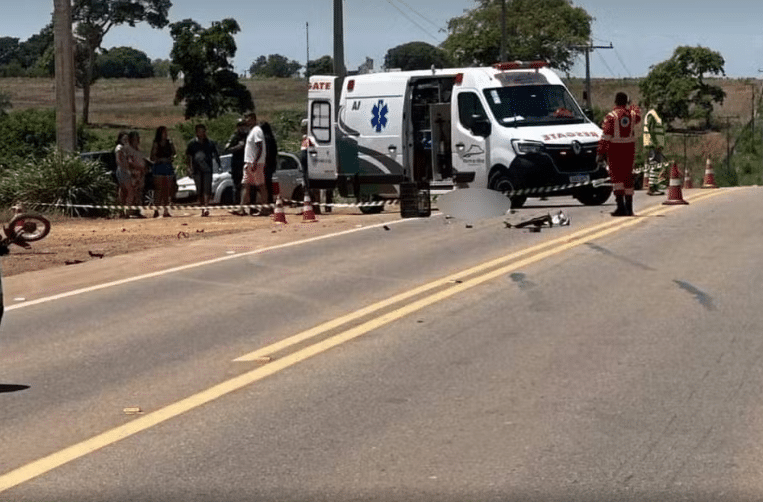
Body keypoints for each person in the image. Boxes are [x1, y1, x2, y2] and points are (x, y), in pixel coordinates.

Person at [596, 92, 641, 216]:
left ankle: (621, 207)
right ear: (626, 102)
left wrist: (600, 152)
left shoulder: (611, 117)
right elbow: (638, 114)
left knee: (617, 180)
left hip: (615, 152)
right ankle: (629, 208)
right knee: (627, 179)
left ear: (615, 102)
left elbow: (605, 137)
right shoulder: (632, 115)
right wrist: (631, 105)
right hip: (629, 151)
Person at [234, 112, 269, 216]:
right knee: (245, 185)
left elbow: (260, 147)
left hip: (255, 163)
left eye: (247, 118)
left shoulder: (257, 130)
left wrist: (255, 161)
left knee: (261, 185)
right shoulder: (251, 131)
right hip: (249, 162)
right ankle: (242, 208)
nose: (246, 120)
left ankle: (265, 208)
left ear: (253, 119)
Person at [186, 124, 220, 217]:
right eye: (200, 131)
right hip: (197, 170)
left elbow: (216, 154)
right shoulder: (192, 144)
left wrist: (219, 165)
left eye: (203, 131)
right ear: (197, 132)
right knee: (199, 190)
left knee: (207, 189)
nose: (202, 133)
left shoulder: (210, 143)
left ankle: (206, 207)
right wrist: (189, 168)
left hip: (208, 169)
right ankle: (201, 207)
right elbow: (188, 157)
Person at [150, 126, 177, 217]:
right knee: (158, 190)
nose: (166, 134)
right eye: (164, 132)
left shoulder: (169, 142)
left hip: (168, 166)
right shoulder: (156, 143)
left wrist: (171, 158)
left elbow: (174, 153)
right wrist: (160, 159)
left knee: (167, 189)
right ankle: (156, 210)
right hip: (159, 167)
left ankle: (166, 210)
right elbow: (152, 157)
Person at [224, 118, 250, 206]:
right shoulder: (234, 136)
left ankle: (248, 204)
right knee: (237, 185)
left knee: (247, 185)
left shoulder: (248, 135)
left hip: (246, 162)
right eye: (240, 126)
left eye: (243, 125)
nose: (242, 128)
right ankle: (237, 204)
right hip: (236, 163)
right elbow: (227, 149)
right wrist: (238, 147)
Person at [643, 108, 667, 195]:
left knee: (657, 166)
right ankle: (651, 187)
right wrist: (656, 143)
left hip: (657, 145)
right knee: (654, 165)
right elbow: (650, 130)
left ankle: (655, 186)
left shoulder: (656, 115)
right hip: (654, 145)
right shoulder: (652, 115)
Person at [125, 130, 148, 218]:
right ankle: (128, 212)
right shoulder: (128, 149)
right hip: (133, 174)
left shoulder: (138, 149)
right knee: (131, 193)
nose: (138, 140)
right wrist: (139, 167)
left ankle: (137, 211)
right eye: (136, 138)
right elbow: (129, 162)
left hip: (140, 174)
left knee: (139, 194)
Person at [114, 131, 133, 218]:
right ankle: (125, 211)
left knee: (124, 191)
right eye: (124, 139)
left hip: (126, 170)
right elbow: (119, 160)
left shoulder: (126, 148)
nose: (126, 140)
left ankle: (124, 211)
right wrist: (126, 169)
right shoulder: (119, 148)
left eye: (127, 139)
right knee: (128, 191)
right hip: (122, 171)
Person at [260, 121, 278, 204]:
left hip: (265, 165)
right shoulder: (272, 138)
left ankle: (266, 202)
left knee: (263, 185)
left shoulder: (265, 139)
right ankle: (269, 202)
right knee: (268, 184)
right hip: (270, 165)